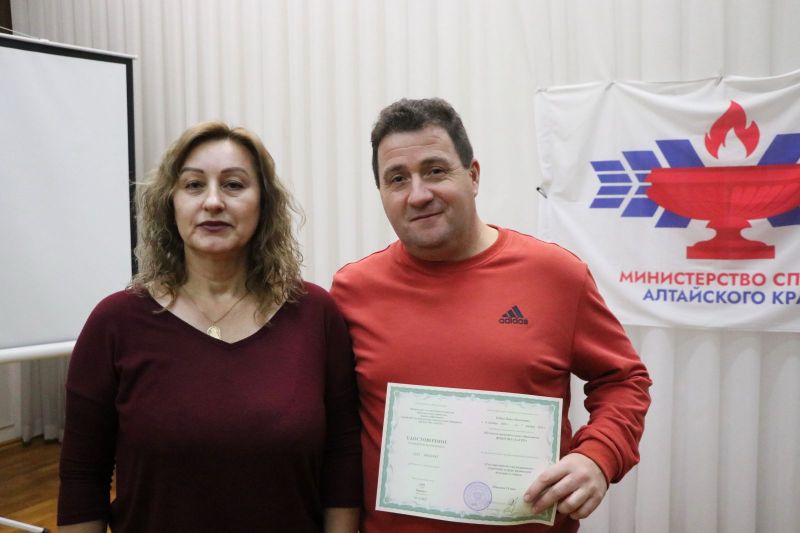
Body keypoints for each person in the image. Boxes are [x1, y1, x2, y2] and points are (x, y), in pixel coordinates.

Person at [330, 98, 652, 532]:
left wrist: (598, 455)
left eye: (435, 171)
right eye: (397, 179)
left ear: (474, 176)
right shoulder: (353, 291)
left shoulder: (555, 275)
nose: (418, 194)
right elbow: (334, 431)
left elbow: (623, 380)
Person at [58, 122, 361, 532]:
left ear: (264, 203)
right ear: (171, 202)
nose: (213, 202)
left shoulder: (314, 314)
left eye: (234, 185)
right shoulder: (114, 323)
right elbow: (82, 476)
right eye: (194, 185)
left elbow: (341, 456)